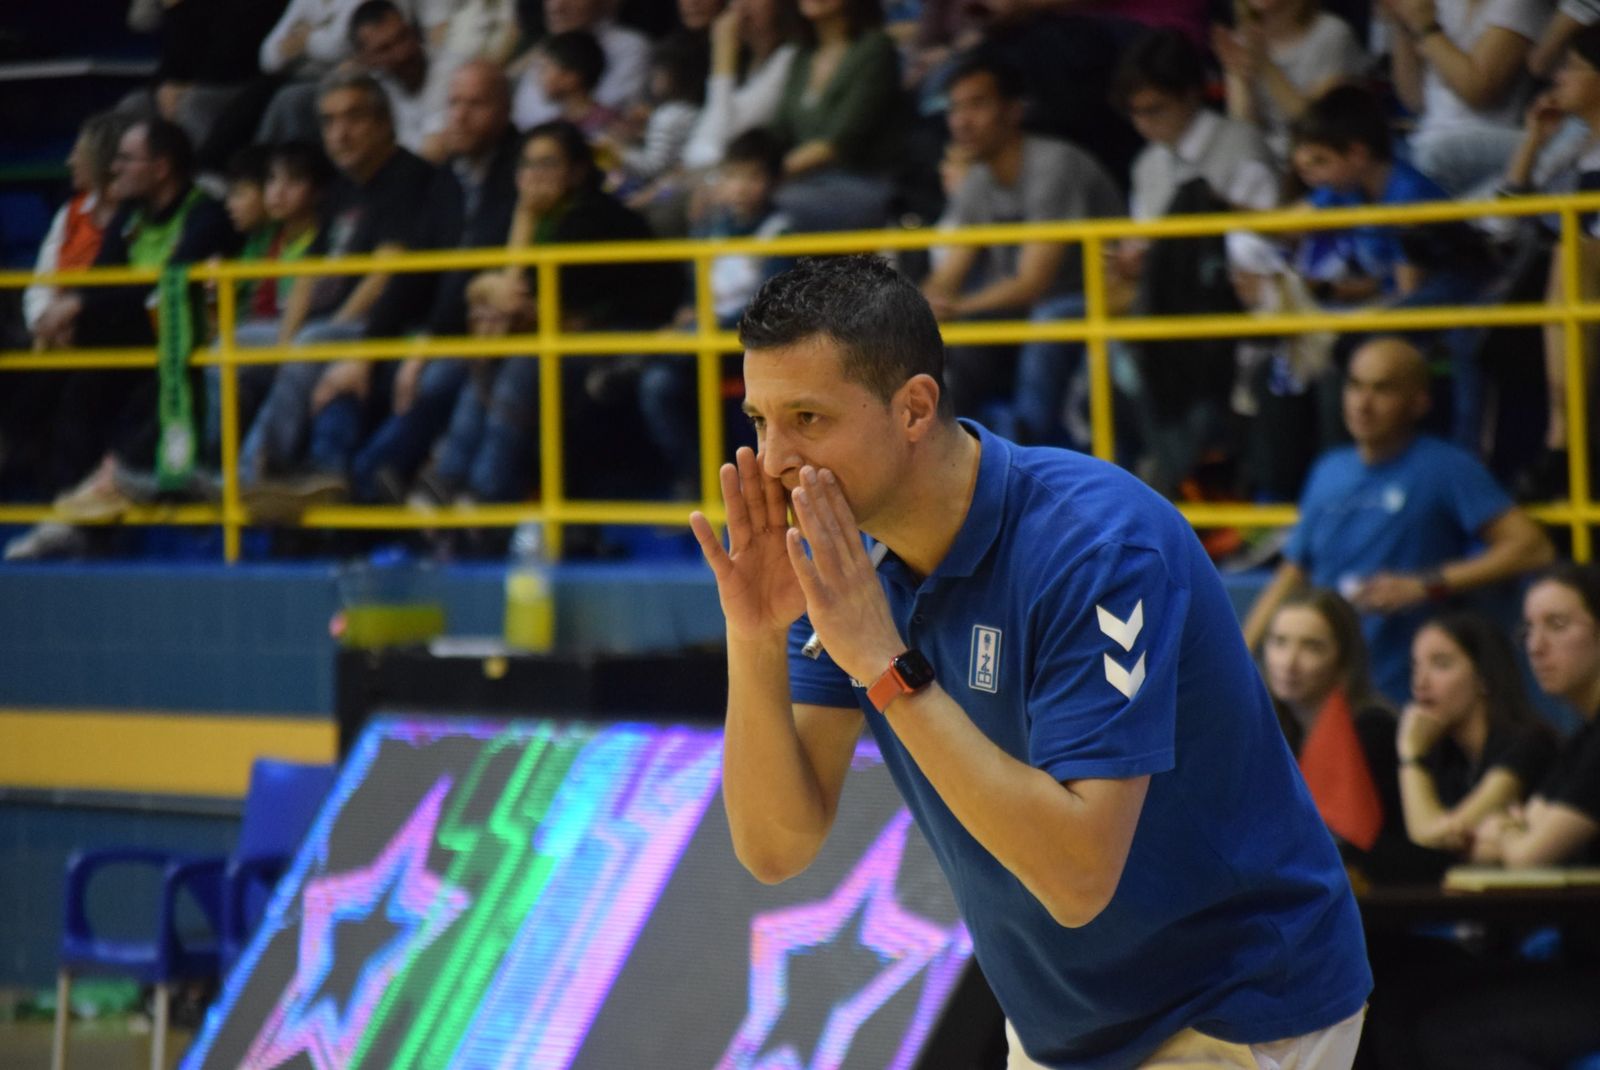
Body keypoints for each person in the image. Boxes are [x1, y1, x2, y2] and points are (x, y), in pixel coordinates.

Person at [690, 255, 1370, 1070]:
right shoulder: (852, 564)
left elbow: (1080, 876)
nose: (773, 462)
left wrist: (886, 663)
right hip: (1065, 1028)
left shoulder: (1097, 548)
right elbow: (777, 846)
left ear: (913, 409)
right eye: (760, 421)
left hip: (1236, 1002)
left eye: (807, 418)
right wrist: (755, 633)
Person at [1242, 337, 1554, 704]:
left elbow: (1532, 548)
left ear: (1418, 402)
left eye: (1382, 389)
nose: (1363, 402)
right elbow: (1293, 572)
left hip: (1405, 692)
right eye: (1355, 385)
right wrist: (1239, 654)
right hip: (1325, 694)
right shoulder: (1328, 469)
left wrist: (1426, 584)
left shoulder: (1445, 467)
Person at [1392, 563, 1600, 1070]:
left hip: (1586, 974)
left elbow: (1522, 850)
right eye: (1528, 628)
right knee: (1391, 993)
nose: (1536, 645)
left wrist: (1410, 756)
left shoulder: (1537, 740)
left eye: (1557, 625)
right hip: (1572, 962)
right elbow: (1489, 842)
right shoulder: (1581, 739)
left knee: (1450, 1033)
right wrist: (1510, 833)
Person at [238, 71, 462, 509]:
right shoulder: (341, 190)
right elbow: (309, 272)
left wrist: (320, 335)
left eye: (353, 118)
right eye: (329, 122)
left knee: (312, 344)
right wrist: (285, 338)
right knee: (228, 348)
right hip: (326, 328)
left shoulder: (410, 177)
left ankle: (257, 472)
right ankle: (211, 463)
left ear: (383, 123)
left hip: (383, 326)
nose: (339, 133)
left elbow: (384, 275)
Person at [920, 54, 1124, 449]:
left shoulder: (1054, 165)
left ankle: (1028, 450)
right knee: (942, 341)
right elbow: (949, 274)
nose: (961, 120)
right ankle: (945, 451)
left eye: (977, 104)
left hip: (1096, 300)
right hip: (1019, 309)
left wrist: (958, 308)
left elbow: (1034, 282)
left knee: (1047, 320)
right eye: (955, 108)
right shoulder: (978, 178)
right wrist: (932, 306)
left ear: (1014, 111)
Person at [1260, 588, 1443, 884]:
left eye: (1312, 647)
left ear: (1343, 659)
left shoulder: (1372, 728)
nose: (1289, 662)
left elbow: (1365, 842)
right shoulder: (1274, 728)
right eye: (1279, 643)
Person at [1397, 611, 1557, 856]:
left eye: (1441, 664)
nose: (1420, 682)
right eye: (1415, 666)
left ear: (1483, 676)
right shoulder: (1445, 752)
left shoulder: (1530, 744)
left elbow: (1433, 837)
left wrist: (1411, 756)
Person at [1380, 0, 1553, 196]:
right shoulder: (1442, 4)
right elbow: (1414, 100)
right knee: (1379, 161)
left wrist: (1426, 28)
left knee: (1428, 158)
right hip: (1428, 139)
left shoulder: (1518, 4)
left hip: (1491, 134)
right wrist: (1404, 26)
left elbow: (1478, 91)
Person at [766, 0, 905, 231]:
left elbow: (841, 140)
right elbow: (779, 130)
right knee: (722, 200)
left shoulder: (875, 49)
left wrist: (766, 175)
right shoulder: (803, 56)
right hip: (801, 180)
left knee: (777, 205)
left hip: (862, 181)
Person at [1212, 0, 1370, 162]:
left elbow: (1314, 125)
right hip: (1265, 165)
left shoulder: (1333, 35)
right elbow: (1244, 135)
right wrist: (1240, 78)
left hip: (1320, 161)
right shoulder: (1243, 40)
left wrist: (1265, 64)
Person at [681, 0, 800, 170]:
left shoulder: (789, 59)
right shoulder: (747, 61)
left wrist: (722, 57)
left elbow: (718, 144)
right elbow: (698, 151)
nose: (742, 6)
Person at [510, 0, 650, 130]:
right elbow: (523, 117)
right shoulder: (543, 48)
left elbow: (604, 121)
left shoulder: (629, 46)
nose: (556, 7)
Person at [348, 0, 454, 160]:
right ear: (366, 60)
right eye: (384, 49)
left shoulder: (453, 73)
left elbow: (433, 154)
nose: (402, 53)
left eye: (403, 37)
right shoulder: (375, 89)